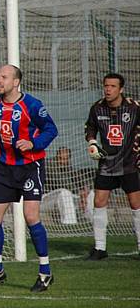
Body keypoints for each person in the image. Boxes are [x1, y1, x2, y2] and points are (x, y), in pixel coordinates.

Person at [0, 64, 58, 292]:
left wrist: (33, 143)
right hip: (5, 168)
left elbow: (51, 129)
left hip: (29, 166)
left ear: (16, 82)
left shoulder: (32, 105)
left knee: (30, 215)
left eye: (4, 77)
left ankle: (45, 272)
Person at [84, 73, 140, 260]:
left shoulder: (134, 108)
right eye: (106, 85)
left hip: (129, 164)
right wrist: (92, 142)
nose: (108, 89)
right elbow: (90, 128)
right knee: (99, 202)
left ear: (121, 89)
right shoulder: (97, 108)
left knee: (135, 204)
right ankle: (100, 248)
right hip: (106, 164)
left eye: (113, 86)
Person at [44, 147, 79, 225]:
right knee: (64, 192)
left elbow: (77, 180)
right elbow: (59, 182)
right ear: (57, 156)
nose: (63, 161)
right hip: (45, 199)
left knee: (90, 194)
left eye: (66, 159)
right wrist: (76, 190)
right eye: (60, 158)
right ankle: (69, 223)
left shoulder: (68, 167)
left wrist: (83, 190)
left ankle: (91, 219)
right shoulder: (49, 165)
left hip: (59, 198)